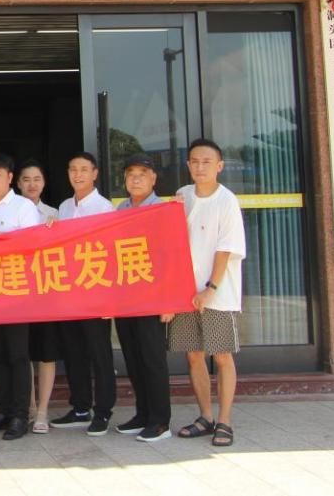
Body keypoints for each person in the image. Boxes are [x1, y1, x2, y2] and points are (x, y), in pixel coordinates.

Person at [167, 138, 246, 449]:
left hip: (218, 294)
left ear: (219, 166)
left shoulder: (227, 201)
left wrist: (210, 289)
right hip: (186, 293)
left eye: (207, 162)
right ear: (188, 165)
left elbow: (225, 249)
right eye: (195, 162)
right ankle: (205, 416)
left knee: (222, 355)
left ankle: (225, 421)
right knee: (193, 354)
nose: (200, 167)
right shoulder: (182, 195)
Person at [0, 151, 44, 441]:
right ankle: (4, 410)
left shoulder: (23, 207)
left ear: (10, 178)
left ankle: (20, 415)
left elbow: (33, 245)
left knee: (17, 355)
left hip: (16, 290)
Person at [51, 151, 117, 436]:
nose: (77, 175)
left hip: (95, 292)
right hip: (69, 293)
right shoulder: (64, 207)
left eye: (83, 169)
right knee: (74, 352)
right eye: (73, 169)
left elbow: (111, 252)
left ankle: (103, 411)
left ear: (95, 173)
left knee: (99, 354)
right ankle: (80, 407)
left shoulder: (105, 208)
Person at [113, 153, 173, 443]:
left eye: (142, 174)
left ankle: (160, 421)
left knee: (152, 360)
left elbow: (170, 257)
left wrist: (168, 300)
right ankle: (142, 414)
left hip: (152, 298)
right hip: (126, 298)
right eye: (131, 174)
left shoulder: (162, 210)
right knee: (133, 358)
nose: (135, 179)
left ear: (153, 179)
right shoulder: (121, 209)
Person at [17, 160, 60, 434]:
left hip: (46, 292)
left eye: (37, 179)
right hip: (17, 290)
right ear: (18, 183)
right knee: (23, 352)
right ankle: (30, 407)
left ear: (44, 183)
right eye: (26, 179)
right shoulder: (10, 211)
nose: (32, 184)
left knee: (45, 353)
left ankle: (43, 410)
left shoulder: (54, 214)